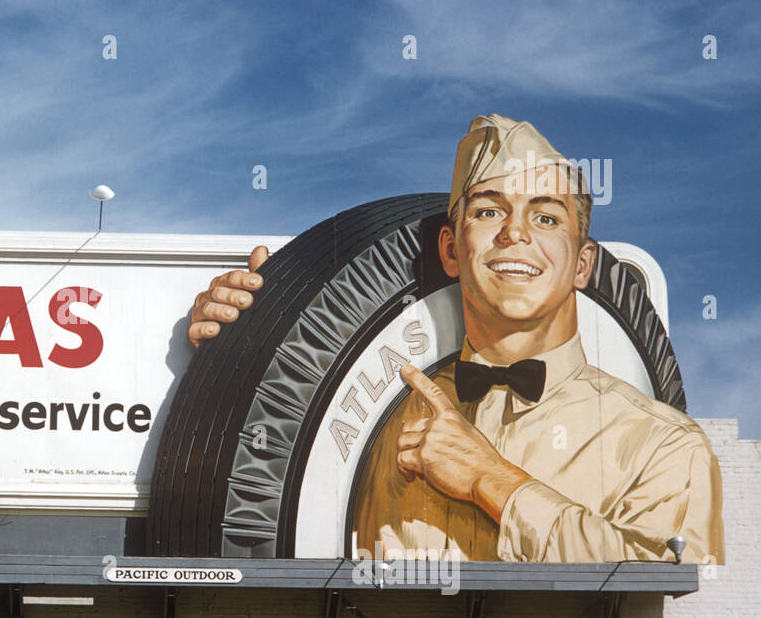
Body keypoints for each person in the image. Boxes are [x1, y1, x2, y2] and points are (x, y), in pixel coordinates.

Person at [189, 114, 724, 563]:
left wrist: (492, 480)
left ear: (583, 263)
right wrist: (254, 348)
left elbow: (667, 577)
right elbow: (271, 521)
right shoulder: (372, 418)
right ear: (450, 249)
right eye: (489, 211)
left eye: (545, 216)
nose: (515, 233)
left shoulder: (665, 442)